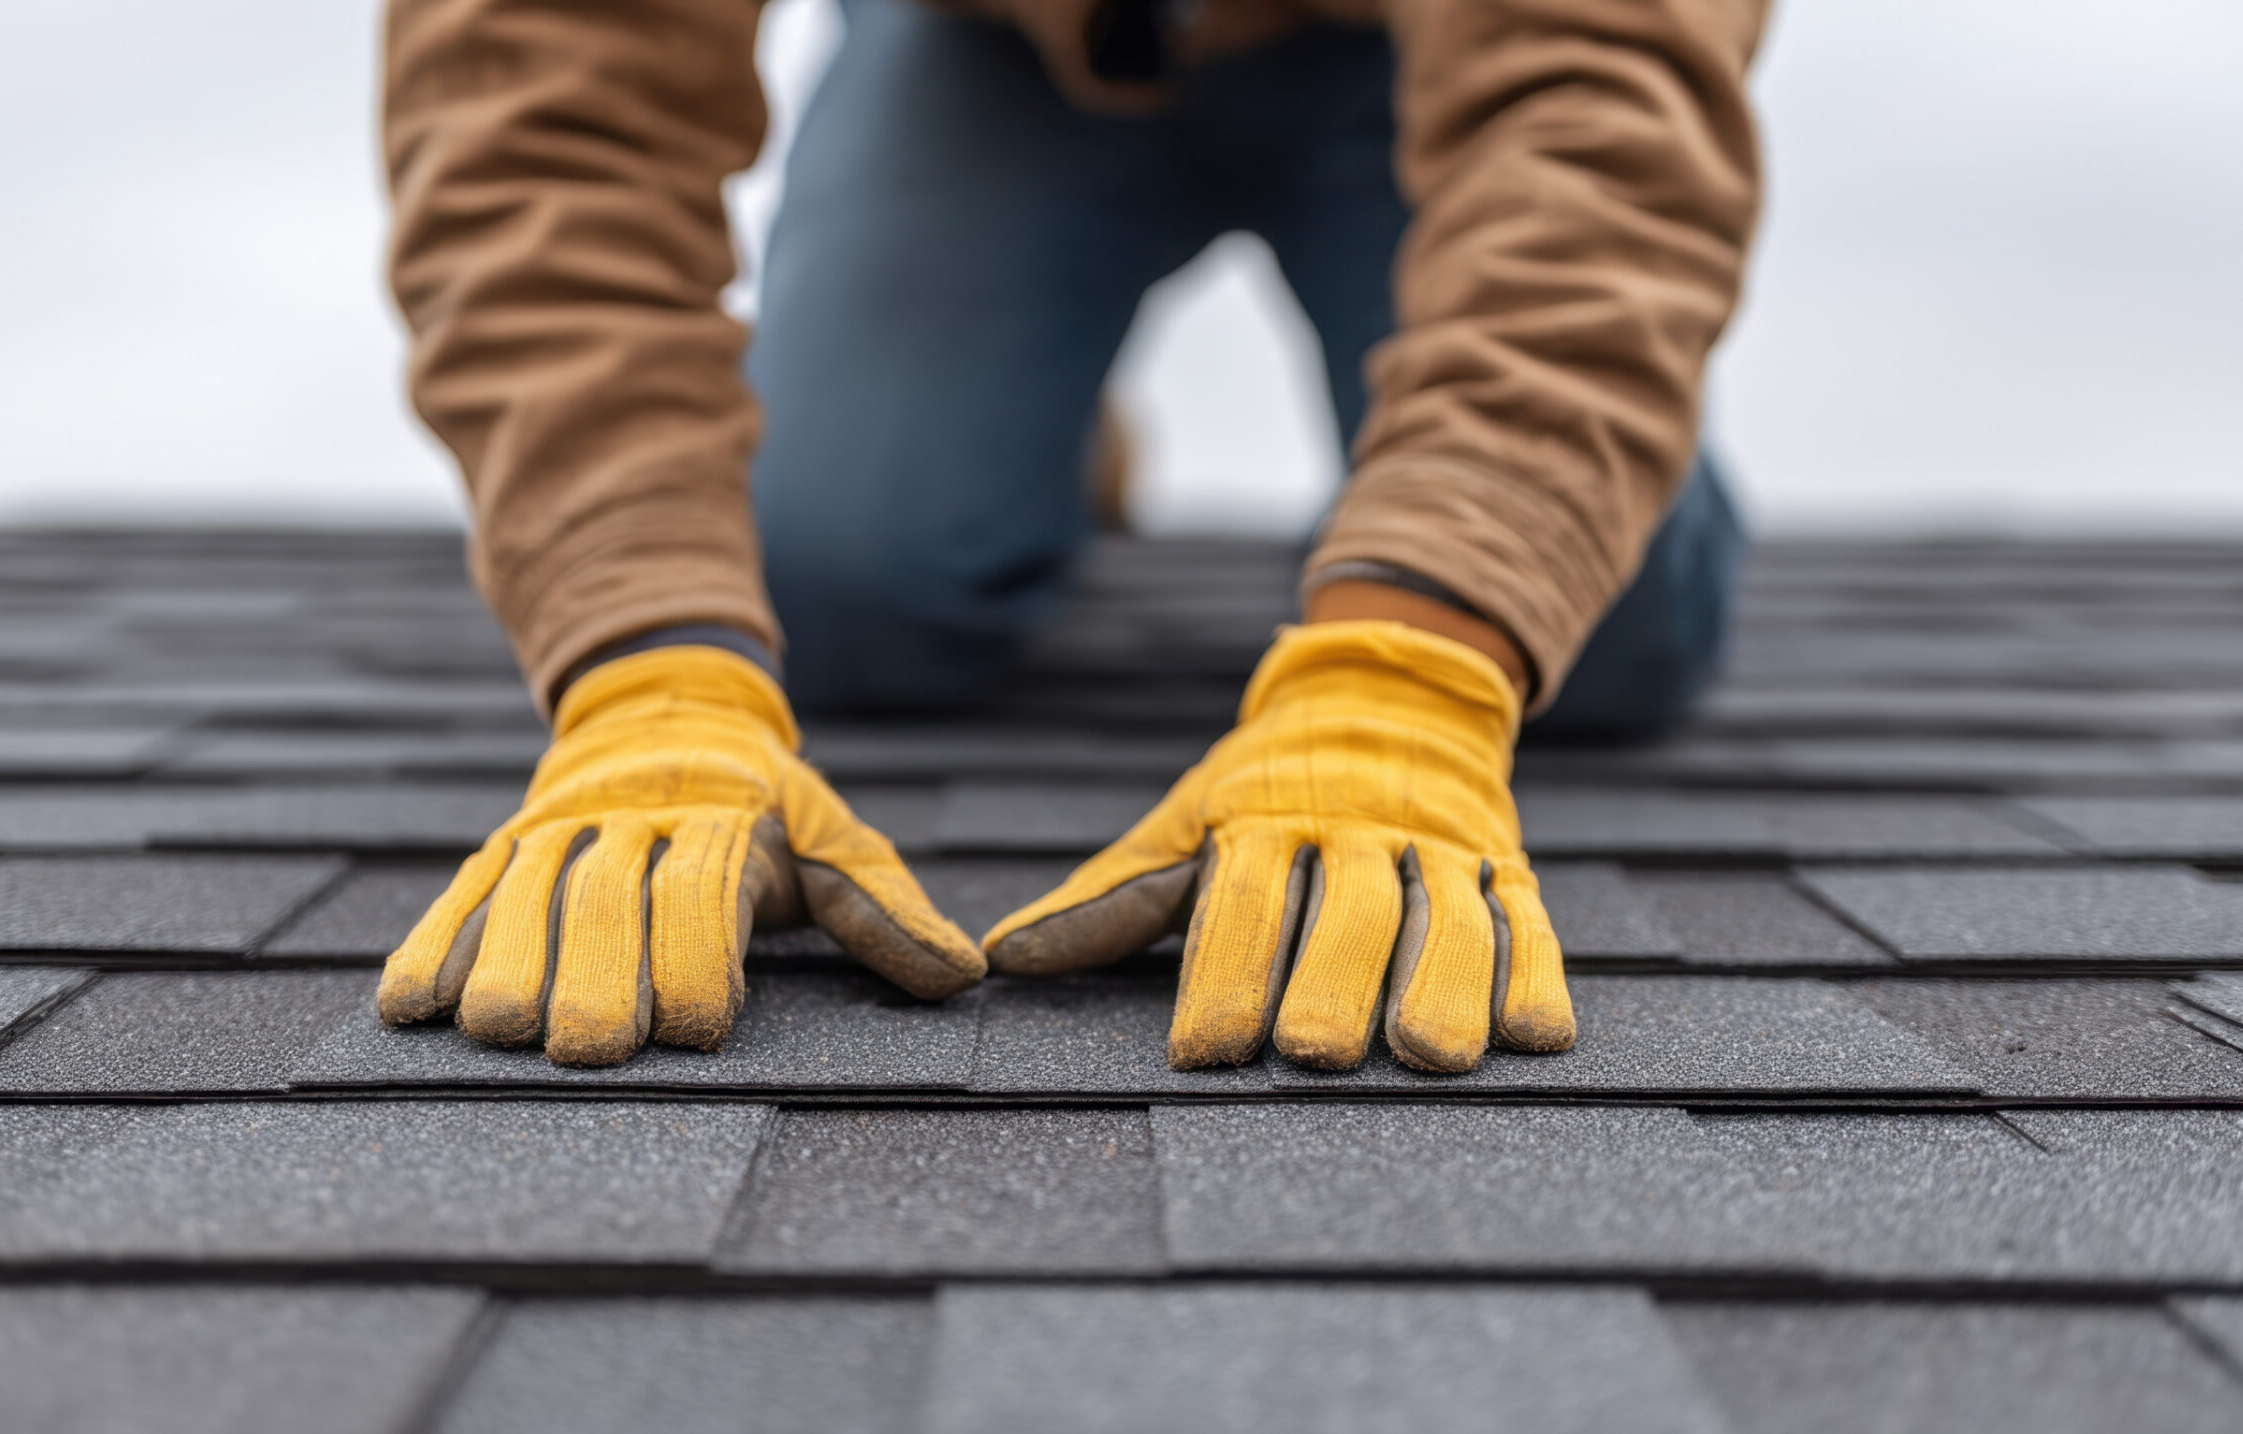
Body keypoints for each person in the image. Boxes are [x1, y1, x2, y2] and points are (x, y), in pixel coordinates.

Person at [373, 0, 1765, 1073]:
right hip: (1005, 57)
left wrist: (1412, 660)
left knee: (1601, 621)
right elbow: (543, 124)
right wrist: (645, 665)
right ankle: (1032, 428)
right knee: (834, 582)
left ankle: (1470, 471)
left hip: (1424, 62)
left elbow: (1606, 133)